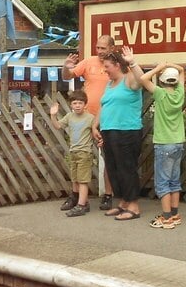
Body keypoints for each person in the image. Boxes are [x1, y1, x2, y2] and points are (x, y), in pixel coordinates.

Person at [62, 35, 115, 210]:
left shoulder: (116, 65)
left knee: (107, 157)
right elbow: (67, 76)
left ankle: (108, 195)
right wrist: (66, 66)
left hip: (107, 118)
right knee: (78, 156)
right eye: (98, 48)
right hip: (85, 118)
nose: (99, 52)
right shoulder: (89, 61)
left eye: (103, 48)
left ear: (112, 48)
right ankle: (75, 196)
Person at [92, 47, 144, 221]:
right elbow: (103, 105)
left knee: (127, 168)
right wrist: (95, 126)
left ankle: (134, 206)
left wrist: (132, 62)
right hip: (109, 131)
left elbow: (142, 80)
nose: (104, 69)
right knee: (113, 169)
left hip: (127, 131)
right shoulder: (109, 84)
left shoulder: (129, 79)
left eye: (107, 66)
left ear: (116, 65)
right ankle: (123, 203)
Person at [139, 61, 186, 229]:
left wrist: (159, 67)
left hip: (163, 143)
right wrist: (173, 66)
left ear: (163, 81)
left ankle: (166, 218)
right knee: (174, 181)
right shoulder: (180, 94)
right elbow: (182, 71)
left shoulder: (160, 94)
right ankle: (174, 214)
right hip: (178, 142)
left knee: (163, 182)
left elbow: (143, 79)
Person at [49, 89, 95, 217]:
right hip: (73, 151)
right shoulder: (69, 116)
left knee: (83, 181)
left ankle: (81, 206)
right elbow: (58, 126)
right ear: (71, 105)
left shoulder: (90, 118)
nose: (77, 106)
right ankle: (81, 201)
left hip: (84, 152)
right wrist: (53, 115)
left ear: (85, 104)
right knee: (75, 179)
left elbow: (96, 132)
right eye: (75, 103)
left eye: (80, 103)